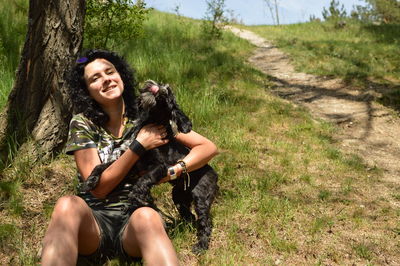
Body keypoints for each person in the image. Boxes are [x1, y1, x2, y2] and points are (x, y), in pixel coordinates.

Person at [40, 49, 218, 265]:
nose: (106, 79)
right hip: (93, 222)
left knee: (148, 216)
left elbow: (207, 147)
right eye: (95, 78)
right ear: (86, 90)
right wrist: (139, 145)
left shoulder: (149, 113)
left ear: (121, 75)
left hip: (135, 220)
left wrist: (173, 171)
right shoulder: (83, 123)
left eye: (109, 72)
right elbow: (98, 188)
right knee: (66, 204)